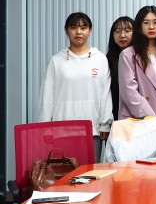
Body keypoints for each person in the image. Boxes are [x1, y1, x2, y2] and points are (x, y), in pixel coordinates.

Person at [39, 12, 113, 161]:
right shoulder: (56, 61)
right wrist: (45, 127)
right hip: (61, 131)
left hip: (92, 130)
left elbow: (105, 94)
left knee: (90, 172)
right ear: (66, 30)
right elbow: (47, 96)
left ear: (90, 30)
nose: (78, 32)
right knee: (64, 172)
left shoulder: (100, 59)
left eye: (83, 28)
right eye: (73, 27)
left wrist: (105, 124)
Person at [118, 6, 156, 119]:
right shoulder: (128, 55)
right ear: (139, 26)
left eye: (155, 22)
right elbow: (129, 92)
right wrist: (151, 119)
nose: (151, 27)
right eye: (146, 23)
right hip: (137, 119)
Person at [106, 15, 134, 120]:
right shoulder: (107, 61)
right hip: (115, 114)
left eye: (127, 31)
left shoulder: (142, 59)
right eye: (117, 31)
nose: (122, 35)